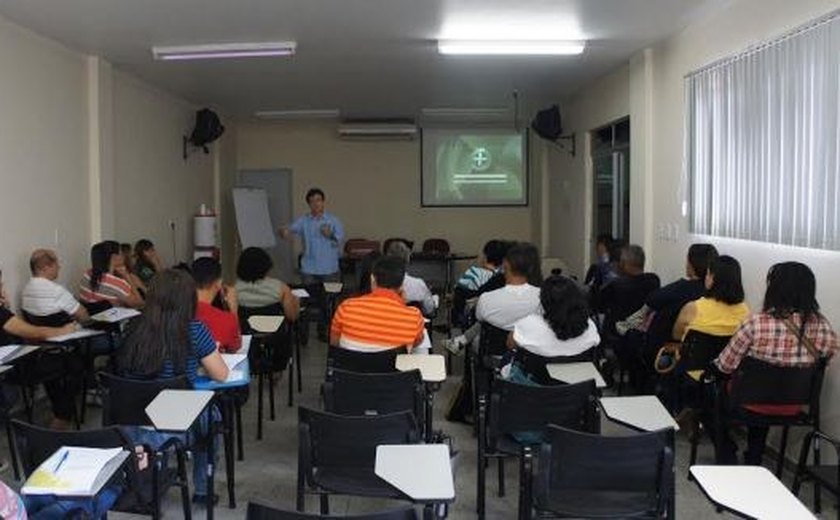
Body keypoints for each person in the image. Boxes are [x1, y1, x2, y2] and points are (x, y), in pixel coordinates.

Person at [117, 269, 229, 503]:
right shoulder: (195, 329)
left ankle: (144, 471)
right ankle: (202, 490)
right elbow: (221, 374)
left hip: (131, 426)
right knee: (214, 414)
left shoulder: (132, 326)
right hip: (175, 426)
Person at [710, 262, 838, 465]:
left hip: (749, 403)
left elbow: (725, 366)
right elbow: (826, 359)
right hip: (794, 406)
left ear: (774, 289)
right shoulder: (823, 326)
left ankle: (728, 456)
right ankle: (754, 456)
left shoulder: (756, 323)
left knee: (712, 394)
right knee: (765, 393)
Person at [0, 268, 77, 430]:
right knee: (72, 363)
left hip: (13, 365)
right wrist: (63, 331)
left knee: (52, 363)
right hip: (13, 370)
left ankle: (60, 415)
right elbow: (32, 332)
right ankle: (62, 417)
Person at [443, 242, 543, 354]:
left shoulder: (486, 299)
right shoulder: (545, 299)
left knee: (483, 323)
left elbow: (478, 317)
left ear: (505, 265)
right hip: (533, 354)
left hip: (492, 354)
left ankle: (461, 341)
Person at [506, 275, 601, 382]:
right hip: (577, 391)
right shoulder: (589, 325)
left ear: (543, 299)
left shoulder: (529, 324)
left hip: (534, 391)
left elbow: (510, 344)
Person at [279, 187, 344, 341]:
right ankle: (303, 334)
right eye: (312, 201)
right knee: (305, 301)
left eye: (319, 200)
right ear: (308, 204)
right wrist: (283, 232)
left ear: (323, 202)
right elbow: (288, 229)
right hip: (309, 268)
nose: (316, 204)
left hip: (329, 269)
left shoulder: (333, 221)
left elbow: (339, 241)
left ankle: (325, 332)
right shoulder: (304, 221)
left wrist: (330, 235)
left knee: (327, 303)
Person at [330, 255, 429, 352]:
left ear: (372, 279)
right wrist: (402, 305)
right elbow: (414, 344)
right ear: (401, 285)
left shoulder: (346, 307)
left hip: (349, 367)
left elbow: (335, 345)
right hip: (392, 368)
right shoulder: (414, 316)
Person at [672, 255, 750, 340]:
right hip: (727, 353)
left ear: (712, 278)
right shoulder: (745, 311)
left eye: (708, 274)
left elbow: (677, 335)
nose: (706, 277)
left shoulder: (692, 308)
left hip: (695, 352)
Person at [597, 244, 660, 338]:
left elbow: (599, 306)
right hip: (643, 334)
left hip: (618, 335)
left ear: (624, 263)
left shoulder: (616, 286)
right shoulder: (654, 281)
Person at [21, 249, 89, 325]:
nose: (59, 267)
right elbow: (83, 315)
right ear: (46, 268)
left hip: (40, 335)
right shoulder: (57, 291)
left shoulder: (26, 290)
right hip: (65, 334)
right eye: (56, 264)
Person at [234, 247, 300, 321]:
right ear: (266, 265)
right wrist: (296, 301)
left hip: (244, 330)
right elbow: (292, 317)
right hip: (274, 330)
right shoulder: (281, 288)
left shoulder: (232, 289)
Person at [192, 257, 241, 352]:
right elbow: (235, 346)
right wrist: (233, 310)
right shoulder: (226, 319)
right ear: (219, 283)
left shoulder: (177, 312)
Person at [79, 240, 144, 310]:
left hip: (92, 318)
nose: (124, 256)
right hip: (115, 319)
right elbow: (139, 303)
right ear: (114, 257)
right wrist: (128, 278)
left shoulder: (87, 275)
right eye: (121, 253)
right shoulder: (118, 284)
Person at [385, 240, 437, 316]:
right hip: (413, 324)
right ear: (407, 259)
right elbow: (429, 310)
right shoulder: (418, 284)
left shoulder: (379, 284)